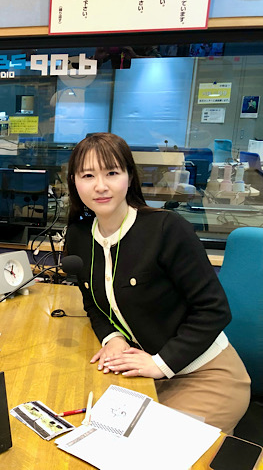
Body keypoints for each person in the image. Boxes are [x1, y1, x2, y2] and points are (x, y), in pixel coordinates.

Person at [64, 132, 250, 434]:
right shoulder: (79, 236)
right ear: (74, 181)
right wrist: (113, 338)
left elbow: (214, 310)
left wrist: (161, 364)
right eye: (88, 175)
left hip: (205, 375)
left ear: (129, 177)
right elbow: (93, 302)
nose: (100, 186)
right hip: (144, 372)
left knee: (149, 449)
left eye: (112, 173)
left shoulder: (166, 229)